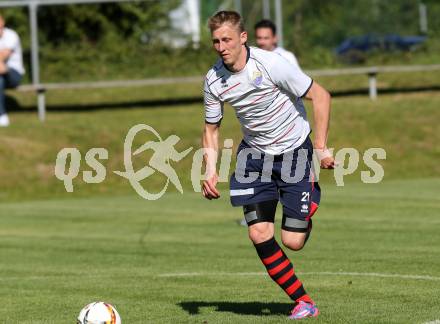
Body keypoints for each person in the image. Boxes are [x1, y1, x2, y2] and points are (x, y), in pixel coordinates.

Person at [201, 11, 335, 320]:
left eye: (227, 40)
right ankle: (303, 302)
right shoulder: (213, 80)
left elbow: (321, 96)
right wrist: (210, 170)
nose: (221, 47)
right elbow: (210, 129)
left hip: (293, 151)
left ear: (243, 38)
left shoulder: (270, 64)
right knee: (259, 233)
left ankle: (308, 195)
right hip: (255, 156)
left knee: (293, 240)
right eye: (216, 41)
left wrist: (321, 147)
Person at [0, 14, 25, 127]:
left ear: (3, 23)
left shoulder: (11, 35)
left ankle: (2, 115)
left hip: (14, 74)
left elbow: (2, 57)